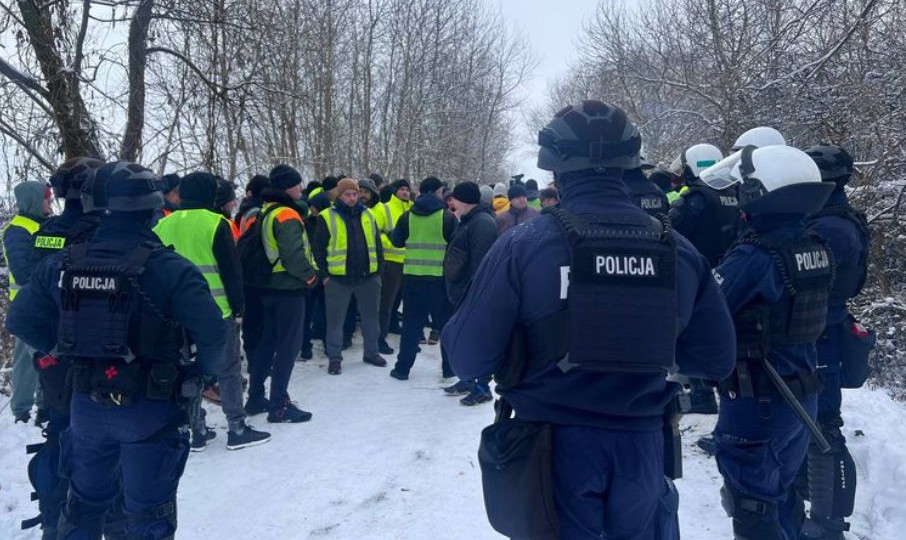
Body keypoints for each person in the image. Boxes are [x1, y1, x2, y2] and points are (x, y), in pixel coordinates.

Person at [443, 100, 736, 539]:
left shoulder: (523, 246)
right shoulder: (677, 249)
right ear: (629, 162)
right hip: (642, 448)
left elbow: (468, 357)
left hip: (551, 452)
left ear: (555, 168)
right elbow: (715, 359)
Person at [6, 161, 226, 539]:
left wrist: (64, 349)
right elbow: (212, 334)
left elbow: (20, 320)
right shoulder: (172, 268)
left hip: (86, 406)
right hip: (150, 409)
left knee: (83, 509)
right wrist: (200, 374)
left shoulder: (62, 262)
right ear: (153, 207)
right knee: (148, 516)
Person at [706, 145, 835, 540]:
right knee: (783, 498)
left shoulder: (753, 257)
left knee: (752, 506)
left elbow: (704, 310)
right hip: (800, 395)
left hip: (757, 400)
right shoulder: (814, 248)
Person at [154, 172, 271, 451]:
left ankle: (196, 431)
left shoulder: (162, 225)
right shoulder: (217, 223)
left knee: (187, 371)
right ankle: (237, 427)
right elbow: (231, 271)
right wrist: (239, 307)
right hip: (217, 311)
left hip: (176, 314)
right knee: (228, 369)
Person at [797, 145, 869, 540]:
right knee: (818, 425)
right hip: (825, 329)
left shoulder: (829, 227)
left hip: (822, 332)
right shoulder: (836, 218)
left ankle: (829, 521)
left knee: (823, 427)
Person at [243, 164, 318, 423]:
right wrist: (310, 276)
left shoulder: (266, 210)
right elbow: (293, 254)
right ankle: (279, 405)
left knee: (268, 343)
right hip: (288, 288)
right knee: (288, 347)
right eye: (298, 184)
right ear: (288, 186)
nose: (301, 188)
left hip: (268, 288)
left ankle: (255, 397)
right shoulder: (286, 214)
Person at [668, 143, 738, 415]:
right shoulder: (734, 193)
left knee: (696, 329)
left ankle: (701, 394)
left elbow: (671, 231)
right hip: (730, 270)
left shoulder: (695, 199)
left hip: (700, 273)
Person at [312, 178, 387, 375]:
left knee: (371, 319)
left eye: (355, 194)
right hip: (338, 279)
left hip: (368, 277)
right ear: (339, 195)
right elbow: (317, 249)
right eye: (348, 194)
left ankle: (371, 352)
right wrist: (325, 275)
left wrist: (379, 270)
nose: (353, 198)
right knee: (335, 322)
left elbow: (377, 244)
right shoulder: (326, 217)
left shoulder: (368, 214)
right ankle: (335, 358)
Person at [389, 176, 458, 380]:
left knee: (411, 326)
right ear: (437, 192)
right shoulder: (447, 217)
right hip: (438, 280)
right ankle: (449, 368)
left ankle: (402, 369)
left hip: (412, 279)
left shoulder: (407, 216)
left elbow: (397, 241)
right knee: (445, 326)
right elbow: (455, 247)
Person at [441, 182, 498, 405]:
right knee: (466, 340)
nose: (451, 203)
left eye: (454, 199)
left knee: (478, 341)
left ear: (464, 200)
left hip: (473, 294)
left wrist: (471, 295)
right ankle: (468, 379)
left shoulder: (482, 224)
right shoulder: (469, 220)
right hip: (461, 292)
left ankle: (482, 387)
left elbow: (480, 265)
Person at [3, 181, 51, 423]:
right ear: (33, 199)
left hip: (36, 301)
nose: (50, 201)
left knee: (32, 356)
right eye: (46, 197)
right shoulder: (18, 229)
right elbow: (22, 271)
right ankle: (32, 408)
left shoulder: (42, 225)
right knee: (38, 357)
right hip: (28, 303)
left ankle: (29, 406)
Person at [373, 179, 413, 355]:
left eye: (407, 189)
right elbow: (374, 232)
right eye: (401, 189)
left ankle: (395, 327)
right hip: (390, 262)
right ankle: (379, 338)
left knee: (404, 303)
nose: (405, 192)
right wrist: (391, 241)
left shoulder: (414, 208)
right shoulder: (384, 208)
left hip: (410, 262)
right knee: (386, 303)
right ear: (395, 191)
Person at [300, 192, 332, 360]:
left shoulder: (307, 224)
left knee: (306, 314)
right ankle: (329, 346)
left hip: (311, 276)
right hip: (327, 274)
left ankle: (306, 347)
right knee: (328, 313)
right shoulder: (332, 223)